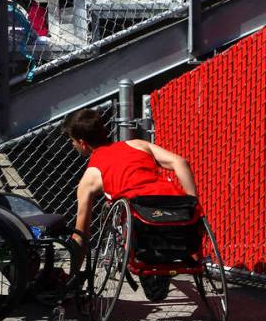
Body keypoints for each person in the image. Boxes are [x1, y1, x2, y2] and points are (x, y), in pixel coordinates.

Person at [62, 107, 197, 259]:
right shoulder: (138, 144)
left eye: (72, 141)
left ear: (82, 143)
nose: (73, 145)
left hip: (142, 216)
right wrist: (192, 202)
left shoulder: (90, 176)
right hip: (175, 207)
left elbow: (81, 235)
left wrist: (73, 276)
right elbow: (180, 162)